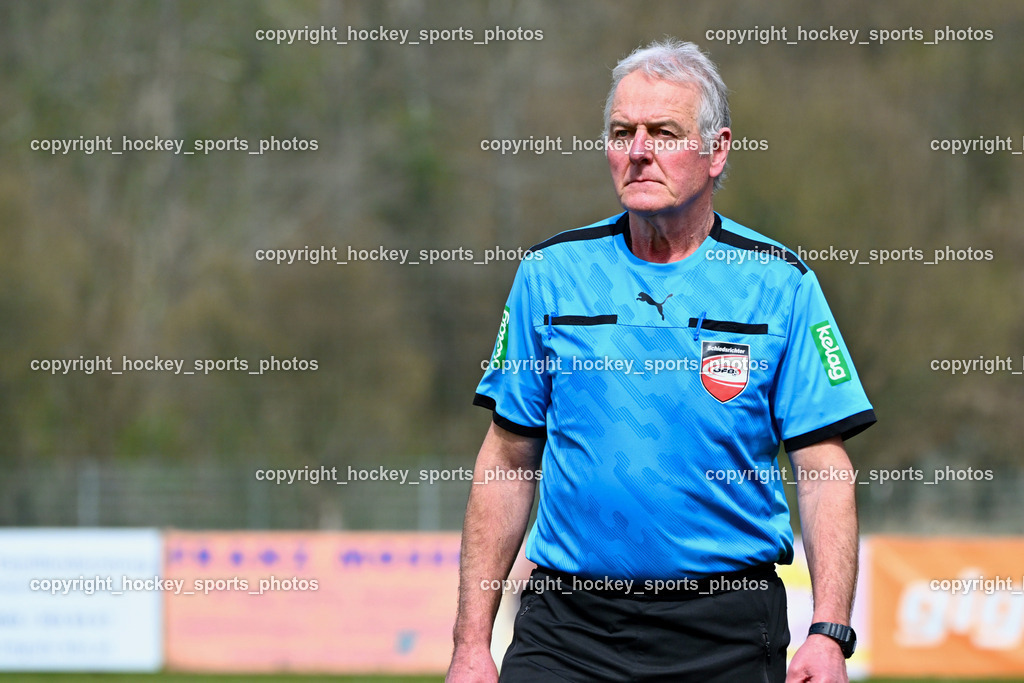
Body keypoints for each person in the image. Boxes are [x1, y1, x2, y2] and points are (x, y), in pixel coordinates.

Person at [447, 38, 875, 683]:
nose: (639, 150)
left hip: (725, 628)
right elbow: (507, 461)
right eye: (624, 132)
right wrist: (471, 645)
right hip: (568, 629)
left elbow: (822, 468)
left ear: (717, 151)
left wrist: (829, 631)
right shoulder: (551, 274)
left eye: (664, 132)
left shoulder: (779, 283)